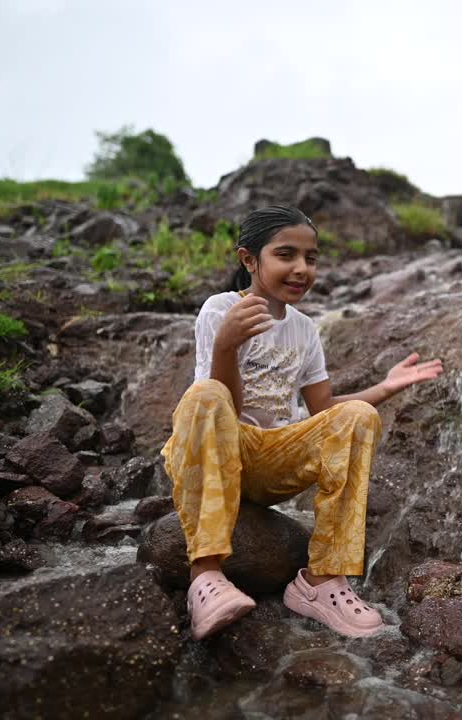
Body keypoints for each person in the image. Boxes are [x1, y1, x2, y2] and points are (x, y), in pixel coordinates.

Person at [160, 205, 442, 641]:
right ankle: (206, 576)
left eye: (310, 258)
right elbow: (220, 409)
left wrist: (384, 388)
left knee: (358, 416)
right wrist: (226, 348)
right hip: (220, 453)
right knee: (204, 395)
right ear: (249, 260)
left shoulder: (305, 330)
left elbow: (324, 409)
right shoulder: (221, 311)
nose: (300, 268)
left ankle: (321, 581)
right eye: (285, 255)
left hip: (275, 463)